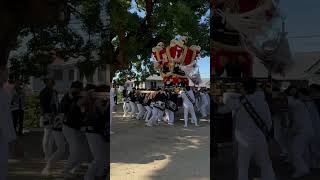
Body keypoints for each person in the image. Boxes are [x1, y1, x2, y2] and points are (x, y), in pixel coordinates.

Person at [217, 78, 276, 180]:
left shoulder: (239, 101)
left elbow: (223, 104)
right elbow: (269, 122)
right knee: (266, 164)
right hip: (260, 137)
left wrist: (228, 93)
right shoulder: (263, 101)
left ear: (244, 88)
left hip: (243, 139)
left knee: (243, 166)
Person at [61, 81, 90, 178]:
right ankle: (66, 171)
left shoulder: (75, 96)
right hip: (70, 127)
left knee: (79, 150)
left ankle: (73, 168)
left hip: (74, 126)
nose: (81, 90)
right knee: (76, 150)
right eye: (80, 88)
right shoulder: (72, 96)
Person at [80, 85, 108, 180]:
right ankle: (88, 177)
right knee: (99, 158)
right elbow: (101, 115)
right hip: (93, 131)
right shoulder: (95, 102)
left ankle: (98, 175)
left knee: (103, 158)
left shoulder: (96, 102)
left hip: (95, 131)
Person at [286, 86, 313, 178]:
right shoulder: (301, 104)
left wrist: (293, 130)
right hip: (307, 131)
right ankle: (304, 168)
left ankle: (302, 169)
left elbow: (298, 121)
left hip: (302, 132)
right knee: (304, 152)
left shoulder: (297, 105)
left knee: (295, 151)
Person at [0, 67, 17, 180]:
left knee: (3, 165)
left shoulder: (4, 91)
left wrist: (12, 138)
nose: (7, 75)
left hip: (4, 134)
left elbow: (7, 117)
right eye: (5, 72)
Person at [39, 78, 57, 161]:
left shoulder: (54, 92)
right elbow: (42, 105)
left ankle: (50, 154)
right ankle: (46, 155)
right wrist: (44, 115)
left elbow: (56, 103)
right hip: (47, 114)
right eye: (49, 82)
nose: (51, 83)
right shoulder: (43, 92)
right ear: (46, 83)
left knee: (52, 135)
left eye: (52, 82)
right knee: (47, 134)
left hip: (54, 115)